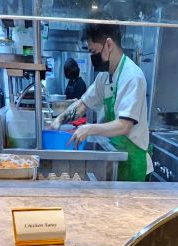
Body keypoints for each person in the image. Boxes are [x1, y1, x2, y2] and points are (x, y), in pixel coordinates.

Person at [50, 23, 151, 181]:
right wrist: (59, 119)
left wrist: (89, 129)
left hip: (132, 162)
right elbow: (83, 104)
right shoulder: (103, 77)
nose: (92, 57)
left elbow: (124, 125)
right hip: (114, 154)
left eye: (93, 51)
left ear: (109, 45)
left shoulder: (132, 76)